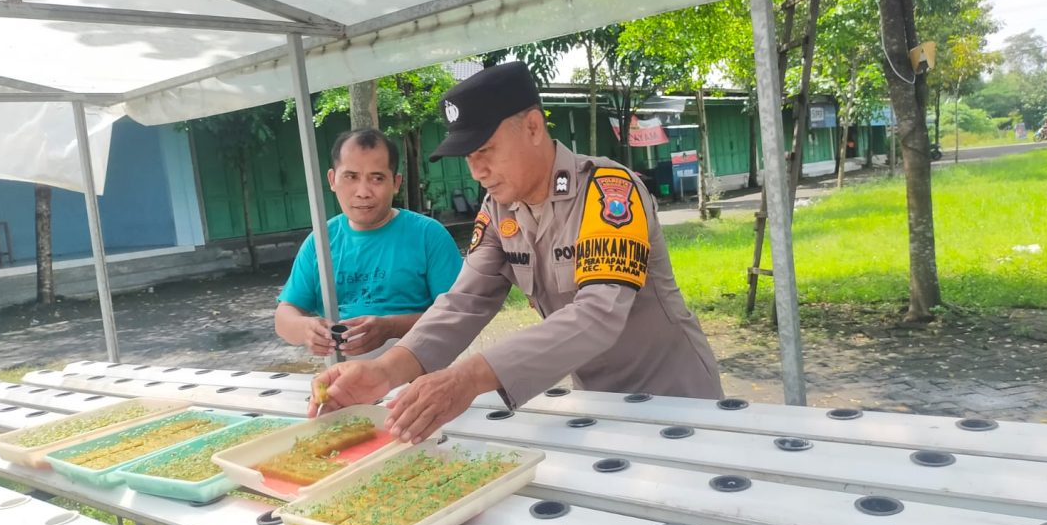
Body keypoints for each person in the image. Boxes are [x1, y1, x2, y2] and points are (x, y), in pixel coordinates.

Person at [311, 62, 723, 443]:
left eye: (485, 150)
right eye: (468, 156)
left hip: (678, 399)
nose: (476, 171)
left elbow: (598, 314)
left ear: (531, 127)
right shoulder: (498, 210)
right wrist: (385, 371)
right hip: (598, 402)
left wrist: (471, 377)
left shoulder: (608, 191)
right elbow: (464, 301)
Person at [275, 128, 463, 360]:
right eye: (351, 177)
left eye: (377, 178)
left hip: (420, 378)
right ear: (332, 180)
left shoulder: (428, 235)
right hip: (343, 380)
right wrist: (305, 329)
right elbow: (284, 315)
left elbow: (458, 316)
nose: (363, 192)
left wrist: (391, 328)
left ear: (395, 183)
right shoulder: (321, 242)